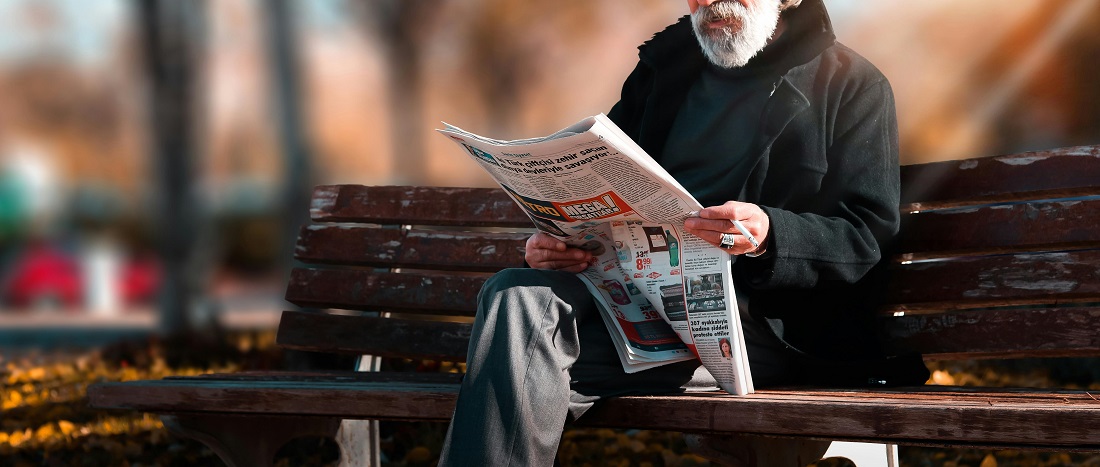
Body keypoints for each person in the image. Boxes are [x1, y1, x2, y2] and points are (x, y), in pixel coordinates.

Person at [438, 0, 929, 465]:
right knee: (516, 295)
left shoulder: (852, 85)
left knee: (516, 378)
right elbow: (604, 181)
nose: (709, 2)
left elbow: (867, 236)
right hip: (635, 308)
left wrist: (770, 235)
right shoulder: (661, 74)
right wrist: (555, 243)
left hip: (761, 330)